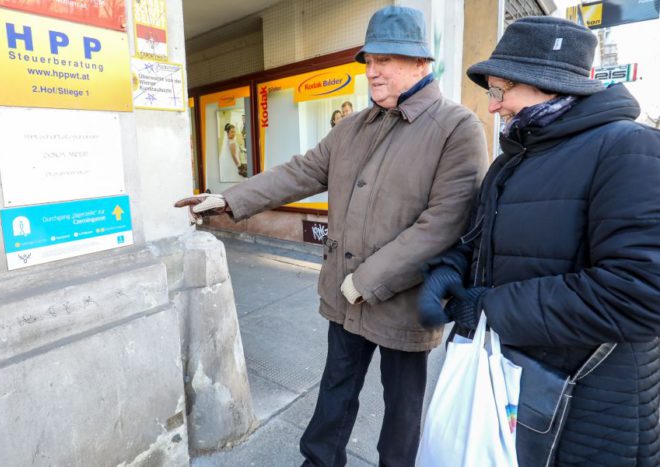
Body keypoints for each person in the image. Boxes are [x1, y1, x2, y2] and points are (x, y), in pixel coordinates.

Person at [176, 6, 487, 466]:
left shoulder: (456, 128)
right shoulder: (353, 127)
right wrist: (229, 201)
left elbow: (444, 223)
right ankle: (319, 461)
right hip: (344, 294)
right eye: (369, 60)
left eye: (387, 60)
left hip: (401, 299)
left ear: (422, 64)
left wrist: (367, 280)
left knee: (402, 406)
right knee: (336, 386)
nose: (373, 71)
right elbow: (299, 171)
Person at [418, 16, 660, 465]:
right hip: (510, 388)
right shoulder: (512, 159)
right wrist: (449, 268)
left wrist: (490, 307)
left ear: (547, 84)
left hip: (590, 410)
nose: (492, 106)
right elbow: (479, 241)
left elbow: (640, 293)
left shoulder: (631, 150)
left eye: (499, 90)